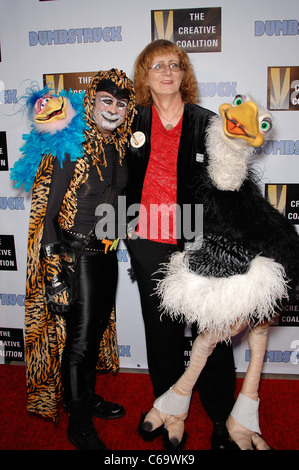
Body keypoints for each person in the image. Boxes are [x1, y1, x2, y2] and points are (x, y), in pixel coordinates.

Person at [125, 40, 236, 450]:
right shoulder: (130, 122)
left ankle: (222, 418)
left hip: (198, 242)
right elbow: (116, 182)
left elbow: (227, 186)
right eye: (158, 66)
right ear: (145, 76)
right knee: (162, 333)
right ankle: (170, 410)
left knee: (212, 333)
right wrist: (127, 230)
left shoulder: (207, 122)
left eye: (175, 65)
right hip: (149, 241)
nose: (167, 72)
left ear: (184, 73)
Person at [21, 69, 136, 450]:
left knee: (96, 330)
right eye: (107, 100)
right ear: (92, 100)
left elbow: (119, 205)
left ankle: (85, 399)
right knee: (80, 342)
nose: (114, 109)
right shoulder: (68, 142)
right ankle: (78, 420)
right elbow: (47, 216)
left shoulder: (119, 146)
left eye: (121, 103)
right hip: (74, 257)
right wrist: (55, 275)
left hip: (106, 254)